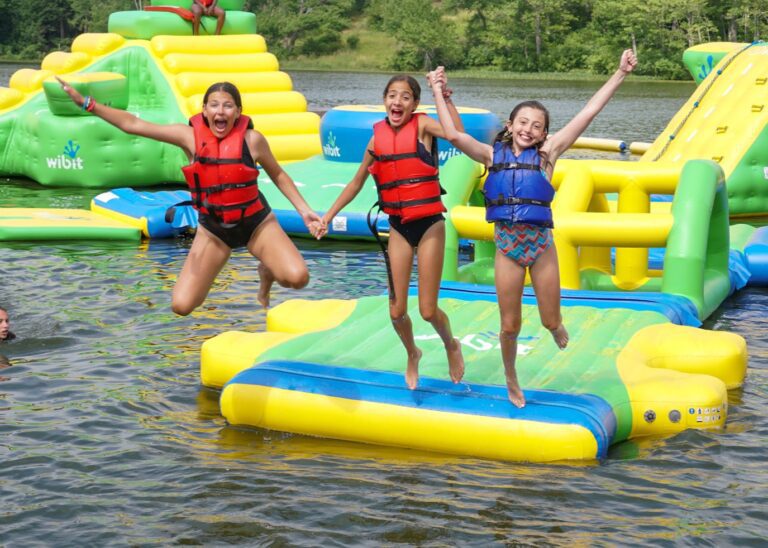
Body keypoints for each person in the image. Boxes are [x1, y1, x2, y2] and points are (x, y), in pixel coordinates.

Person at [428, 50, 638, 407]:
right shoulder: (491, 155)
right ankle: (511, 378)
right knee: (509, 326)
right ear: (510, 125)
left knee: (548, 319)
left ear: (544, 134)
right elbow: (452, 134)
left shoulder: (548, 155)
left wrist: (620, 73)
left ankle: (555, 325)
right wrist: (439, 90)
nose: (528, 129)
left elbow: (588, 112)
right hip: (508, 249)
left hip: (540, 247)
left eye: (536, 125)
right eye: (522, 122)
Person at [56, 77, 322, 315]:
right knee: (181, 306)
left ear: (238, 112)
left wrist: (304, 210)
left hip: (256, 224)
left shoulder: (253, 140)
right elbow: (133, 124)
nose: (221, 111)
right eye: (214, 105)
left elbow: (278, 175)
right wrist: (87, 103)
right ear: (204, 111)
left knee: (298, 278)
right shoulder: (188, 138)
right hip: (214, 231)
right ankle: (257, 265)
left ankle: (267, 271)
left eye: (228, 106)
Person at [313, 73, 466, 390]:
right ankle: (413, 353)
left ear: (414, 104)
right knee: (396, 312)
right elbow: (356, 183)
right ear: (385, 100)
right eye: (392, 95)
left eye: (405, 97)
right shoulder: (376, 138)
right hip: (398, 225)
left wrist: (446, 98)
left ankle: (451, 344)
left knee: (426, 310)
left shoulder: (423, 126)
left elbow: (457, 135)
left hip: (429, 225)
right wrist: (327, 216)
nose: (397, 102)